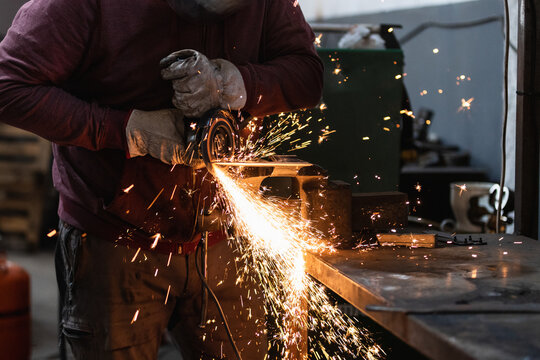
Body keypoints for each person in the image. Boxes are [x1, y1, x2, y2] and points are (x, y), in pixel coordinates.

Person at [0, 0, 323, 358]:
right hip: (114, 238)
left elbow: (308, 75)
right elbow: (8, 87)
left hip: (225, 235)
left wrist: (235, 82)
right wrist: (125, 130)